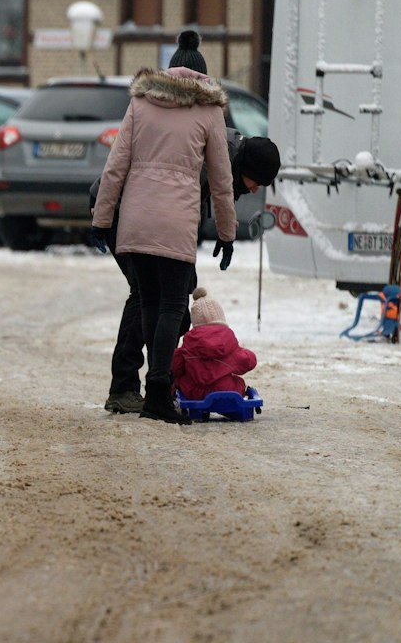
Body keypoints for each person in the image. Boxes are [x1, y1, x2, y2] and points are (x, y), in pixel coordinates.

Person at [89, 65, 237, 423]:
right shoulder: (210, 111)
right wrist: (227, 233)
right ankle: (158, 391)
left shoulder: (141, 103)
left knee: (150, 302)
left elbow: (115, 166)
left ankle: (154, 390)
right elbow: (221, 180)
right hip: (175, 222)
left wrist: (102, 219)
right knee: (172, 305)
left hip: (136, 220)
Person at [100, 134, 281, 414]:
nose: (255, 190)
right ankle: (126, 388)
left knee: (168, 299)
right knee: (147, 294)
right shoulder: (213, 158)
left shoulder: (225, 154)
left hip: (148, 214)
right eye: (255, 181)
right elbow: (179, 207)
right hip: (124, 211)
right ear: (244, 167)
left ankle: (160, 384)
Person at [172, 287, 258, 401]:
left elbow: (176, 367)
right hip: (226, 390)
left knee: (179, 381)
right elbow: (247, 362)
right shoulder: (228, 339)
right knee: (239, 382)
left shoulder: (189, 340)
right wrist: (247, 354)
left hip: (195, 393)